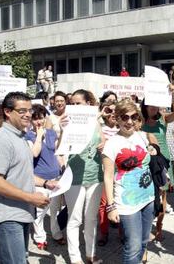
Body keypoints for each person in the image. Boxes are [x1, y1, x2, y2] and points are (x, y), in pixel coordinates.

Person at [0, 92, 56, 264]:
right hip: (8, 216)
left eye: (29, 110)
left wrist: (46, 183)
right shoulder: (1, 139)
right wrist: (31, 198)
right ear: (8, 112)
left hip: (21, 212)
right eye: (22, 110)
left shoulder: (20, 137)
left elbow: (22, 173)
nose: (28, 114)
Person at [102, 99, 155, 264]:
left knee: (144, 242)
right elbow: (108, 176)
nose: (129, 121)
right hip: (126, 202)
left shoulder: (141, 136)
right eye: (124, 117)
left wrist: (154, 148)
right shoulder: (112, 144)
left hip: (148, 197)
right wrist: (111, 207)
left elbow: (153, 144)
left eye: (133, 117)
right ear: (117, 119)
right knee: (132, 247)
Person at [65, 89, 105, 264]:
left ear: (89, 104)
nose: (74, 106)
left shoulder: (97, 123)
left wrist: (104, 144)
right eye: (72, 104)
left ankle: (91, 253)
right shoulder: (67, 122)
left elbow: (103, 141)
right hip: (74, 177)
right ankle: (75, 258)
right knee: (74, 219)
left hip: (95, 176)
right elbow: (60, 147)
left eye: (78, 103)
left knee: (91, 218)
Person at [141, 89, 174, 241]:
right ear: (145, 106)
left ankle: (159, 228)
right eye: (150, 105)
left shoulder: (163, 118)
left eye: (156, 105)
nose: (153, 107)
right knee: (148, 196)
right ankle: (145, 227)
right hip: (145, 161)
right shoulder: (140, 121)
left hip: (162, 161)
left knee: (163, 196)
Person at [25, 104, 65, 250]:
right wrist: (39, 135)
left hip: (55, 176)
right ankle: (40, 237)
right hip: (40, 180)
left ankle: (56, 233)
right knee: (40, 211)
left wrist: (62, 131)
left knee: (54, 209)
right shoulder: (27, 136)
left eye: (41, 118)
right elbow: (34, 153)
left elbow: (58, 149)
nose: (38, 121)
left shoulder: (51, 132)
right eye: (35, 119)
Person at [98, 101, 119, 246]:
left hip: (122, 171)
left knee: (121, 202)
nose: (112, 113)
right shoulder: (100, 128)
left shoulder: (124, 128)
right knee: (104, 203)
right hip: (105, 171)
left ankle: (123, 233)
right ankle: (104, 232)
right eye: (109, 110)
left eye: (114, 111)